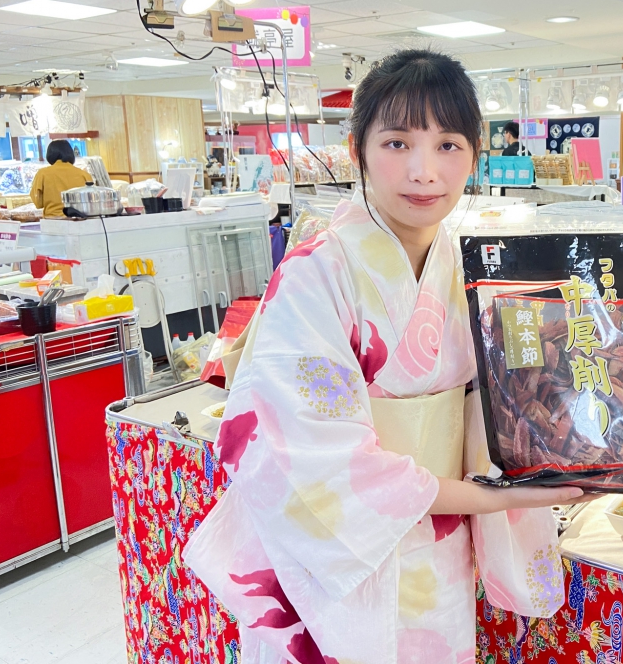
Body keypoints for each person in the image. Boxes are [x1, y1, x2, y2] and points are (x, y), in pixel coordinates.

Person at [183, 49, 589, 664]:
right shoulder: (316, 273)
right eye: (398, 143)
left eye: (448, 145)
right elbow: (307, 455)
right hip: (335, 555)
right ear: (358, 150)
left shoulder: (472, 271)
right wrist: (493, 498)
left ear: (475, 155)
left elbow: (508, 404)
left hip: (437, 547)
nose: (424, 171)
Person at [29, 139, 91, 218]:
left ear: (49, 155)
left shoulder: (42, 174)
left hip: (53, 220)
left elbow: (38, 203)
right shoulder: (84, 174)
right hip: (79, 219)